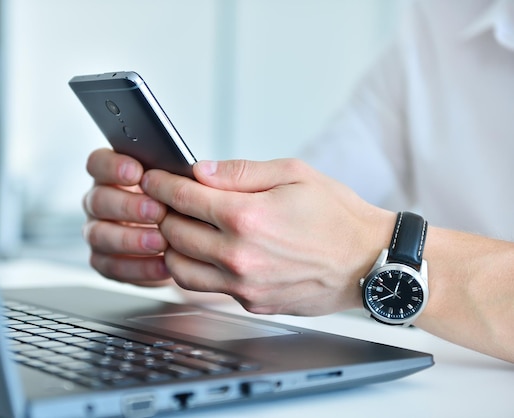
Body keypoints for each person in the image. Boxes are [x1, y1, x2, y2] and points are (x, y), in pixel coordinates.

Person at [81, 0, 514, 364]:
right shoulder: (442, 19)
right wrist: (203, 239)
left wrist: (364, 254)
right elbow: (301, 227)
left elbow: (338, 248)